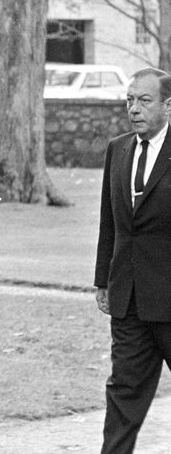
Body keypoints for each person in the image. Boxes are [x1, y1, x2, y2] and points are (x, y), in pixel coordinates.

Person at [94, 67, 171, 453]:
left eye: (144, 100)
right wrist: (102, 280)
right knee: (123, 394)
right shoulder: (118, 149)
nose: (134, 109)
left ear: (167, 105)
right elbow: (111, 222)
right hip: (129, 302)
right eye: (129, 101)